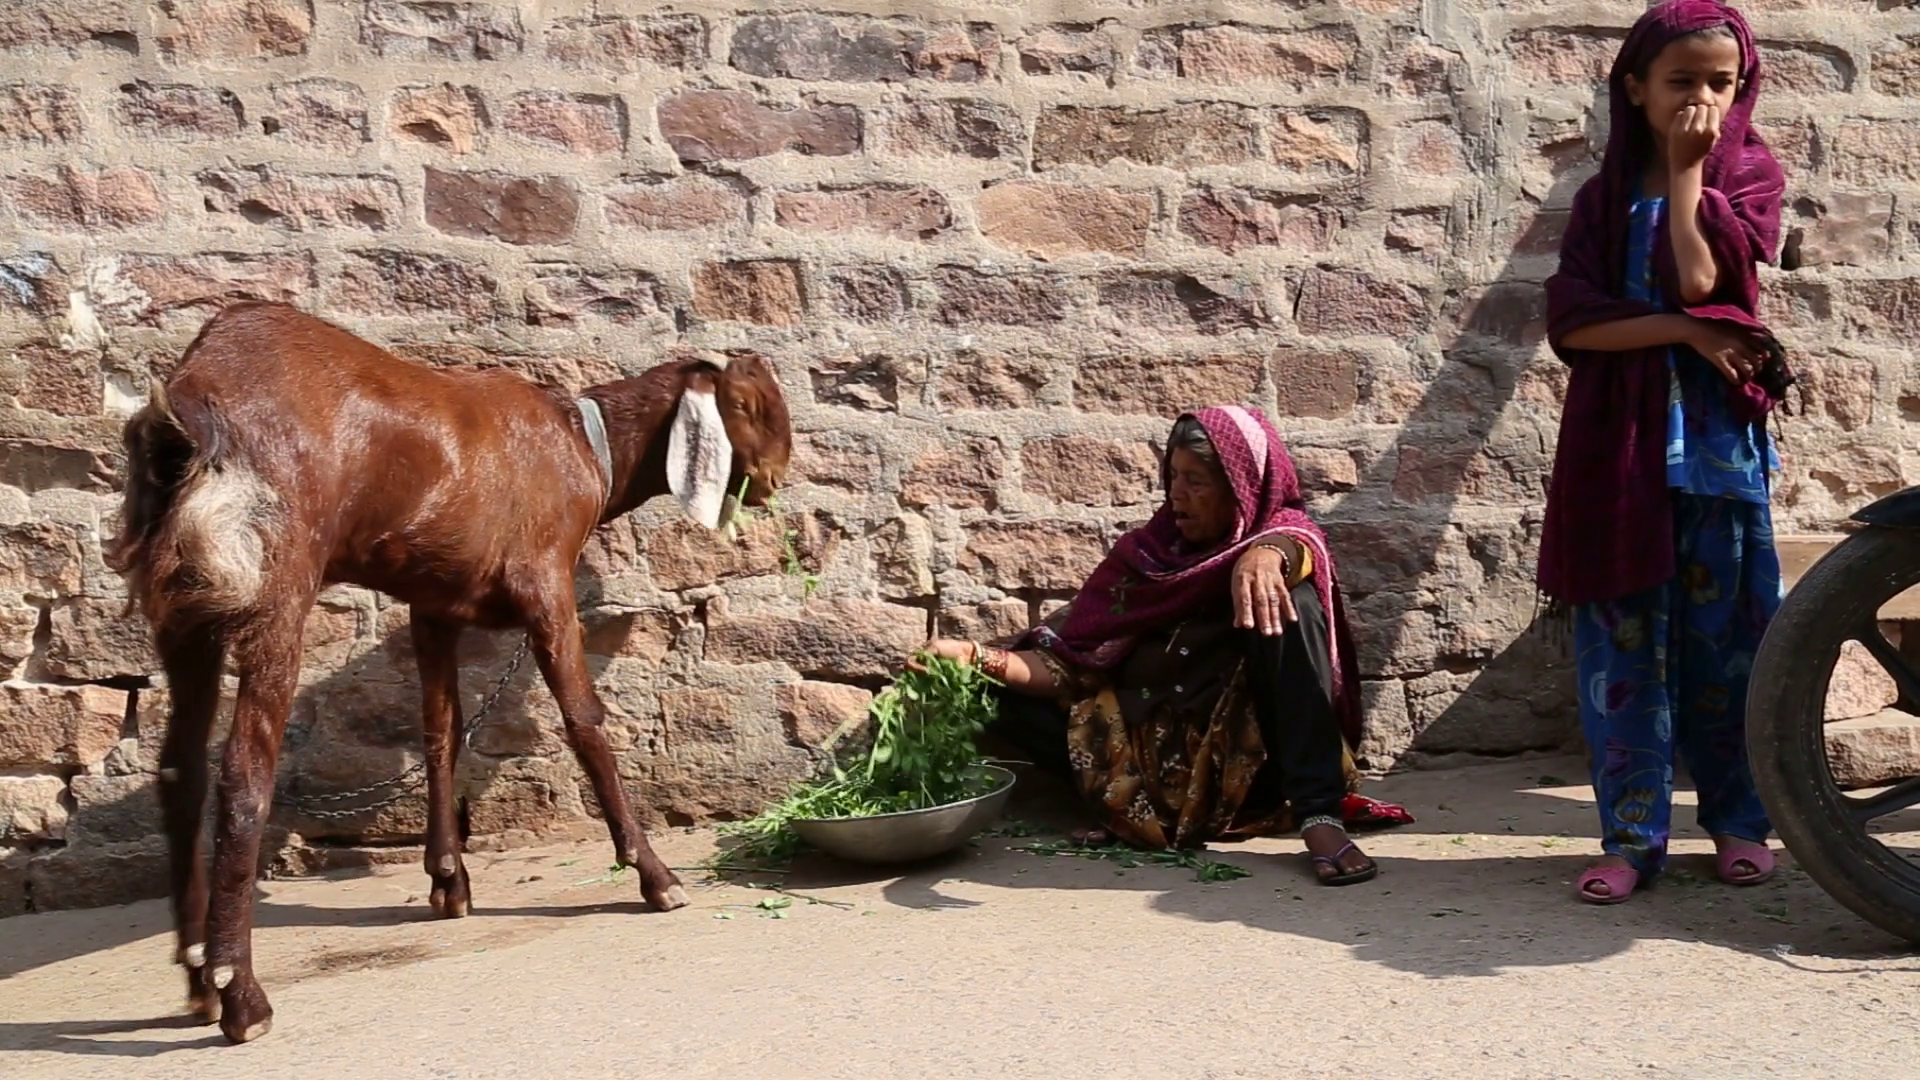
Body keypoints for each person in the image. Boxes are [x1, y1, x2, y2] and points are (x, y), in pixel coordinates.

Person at [914, 406, 1411, 886]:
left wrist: (1265, 553)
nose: (1177, 494)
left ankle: (1318, 814)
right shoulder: (1148, 558)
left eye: (1196, 481)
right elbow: (1069, 665)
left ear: (1240, 489)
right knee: (985, 690)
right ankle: (1127, 809)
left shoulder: (1280, 541)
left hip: (1246, 775)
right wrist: (973, 657)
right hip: (1140, 767)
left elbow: (1299, 543)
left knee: (1290, 602)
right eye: (1173, 476)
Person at [1539, 1, 1791, 904]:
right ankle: (1632, 838)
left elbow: (1705, 277)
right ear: (1636, 88)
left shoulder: (1752, 176)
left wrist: (1687, 179)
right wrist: (1687, 331)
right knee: (1624, 651)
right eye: (1682, 81)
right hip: (1621, 453)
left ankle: (1739, 822)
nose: (1703, 100)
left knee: (1731, 645)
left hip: (1715, 455)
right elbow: (1575, 325)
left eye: (1722, 83)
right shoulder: (1601, 201)